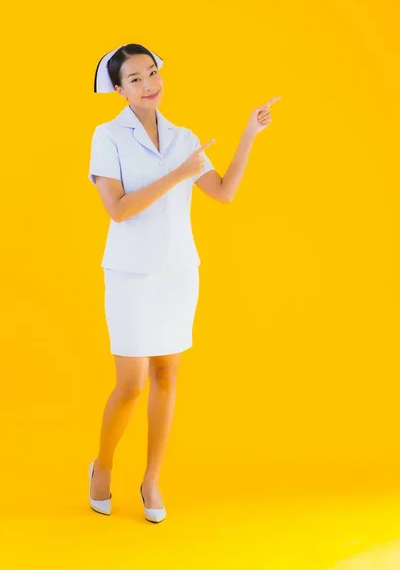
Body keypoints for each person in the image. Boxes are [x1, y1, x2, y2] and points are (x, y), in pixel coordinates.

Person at [88, 42, 280, 523]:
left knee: (167, 376)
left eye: (152, 73)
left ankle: (151, 479)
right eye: (134, 79)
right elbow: (119, 209)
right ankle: (102, 467)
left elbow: (223, 192)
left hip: (177, 272)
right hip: (131, 274)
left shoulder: (182, 136)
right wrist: (178, 174)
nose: (148, 84)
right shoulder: (107, 136)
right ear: (119, 89)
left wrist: (248, 135)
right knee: (129, 385)